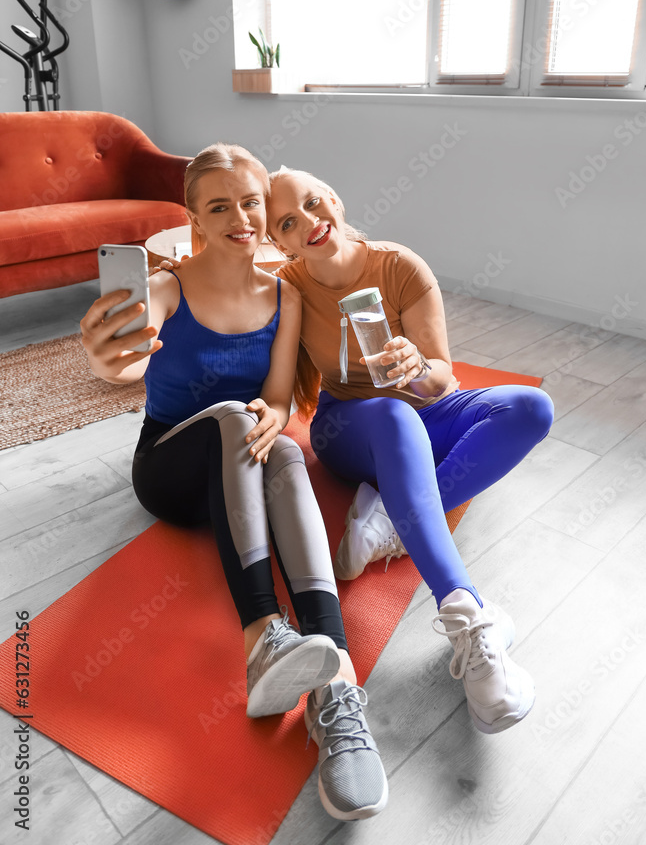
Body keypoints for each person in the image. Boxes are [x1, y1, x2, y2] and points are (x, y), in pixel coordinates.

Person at [79, 144, 388, 822]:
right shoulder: (166, 285)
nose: (240, 217)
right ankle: (260, 636)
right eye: (219, 205)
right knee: (229, 418)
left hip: (247, 475)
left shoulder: (283, 294)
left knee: (279, 449)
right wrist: (110, 362)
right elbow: (130, 364)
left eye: (250, 202)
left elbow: (277, 400)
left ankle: (336, 685)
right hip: (171, 470)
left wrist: (272, 416)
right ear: (194, 217)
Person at [264, 166, 555, 735]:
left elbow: (443, 379)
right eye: (289, 223)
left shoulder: (399, 266)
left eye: (314, 203)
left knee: (530, 408)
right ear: (279, 241)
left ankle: (391, 520)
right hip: (347, 427)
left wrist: (418, 368)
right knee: (394, 413)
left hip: (424, 410)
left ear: (336, 199)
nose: (311, 223)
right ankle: (468, 617)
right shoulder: (291, 288)